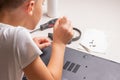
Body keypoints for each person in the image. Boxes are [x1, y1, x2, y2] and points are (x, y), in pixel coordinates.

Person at [0, 0, 73, 80]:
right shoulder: (17, 37)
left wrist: (26, 49)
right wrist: (59, 43)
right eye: (42, 4)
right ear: (30, 6)